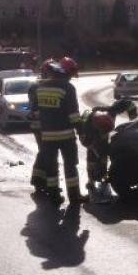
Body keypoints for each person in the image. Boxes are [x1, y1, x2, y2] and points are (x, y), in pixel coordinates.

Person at [30, 56, 86, 205]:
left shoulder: (40, 88)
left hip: (47, 136)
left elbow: (36, 112)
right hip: (66, 136)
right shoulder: (67, 88)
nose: (71, 78)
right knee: (70, 166)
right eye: (71, 75)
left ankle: (54, 195)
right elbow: (73, 115)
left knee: (51, 166)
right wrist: (81, 131)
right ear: (66, 73)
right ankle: (75, 197)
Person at [80, 99, 138, 202]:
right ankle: (91, 183)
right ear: (96, 128)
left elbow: (128, 103)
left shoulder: (112, 112)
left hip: (100, 123)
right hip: (89, 133)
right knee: (93, 157)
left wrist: (133, 117)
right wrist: (94, 150)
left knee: (103, 151)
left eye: (106, 133)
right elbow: (86, 142)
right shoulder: (86, 128)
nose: (104, 135)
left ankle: (102, 178)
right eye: (103, 133)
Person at [27, 59, 55, 195]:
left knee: (44, 152)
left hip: (42, 126)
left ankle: (39, 180)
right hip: (41, 126)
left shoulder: (38, 86)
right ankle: (42, 181)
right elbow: (36, 108)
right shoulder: (38, 87)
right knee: (46, 153)